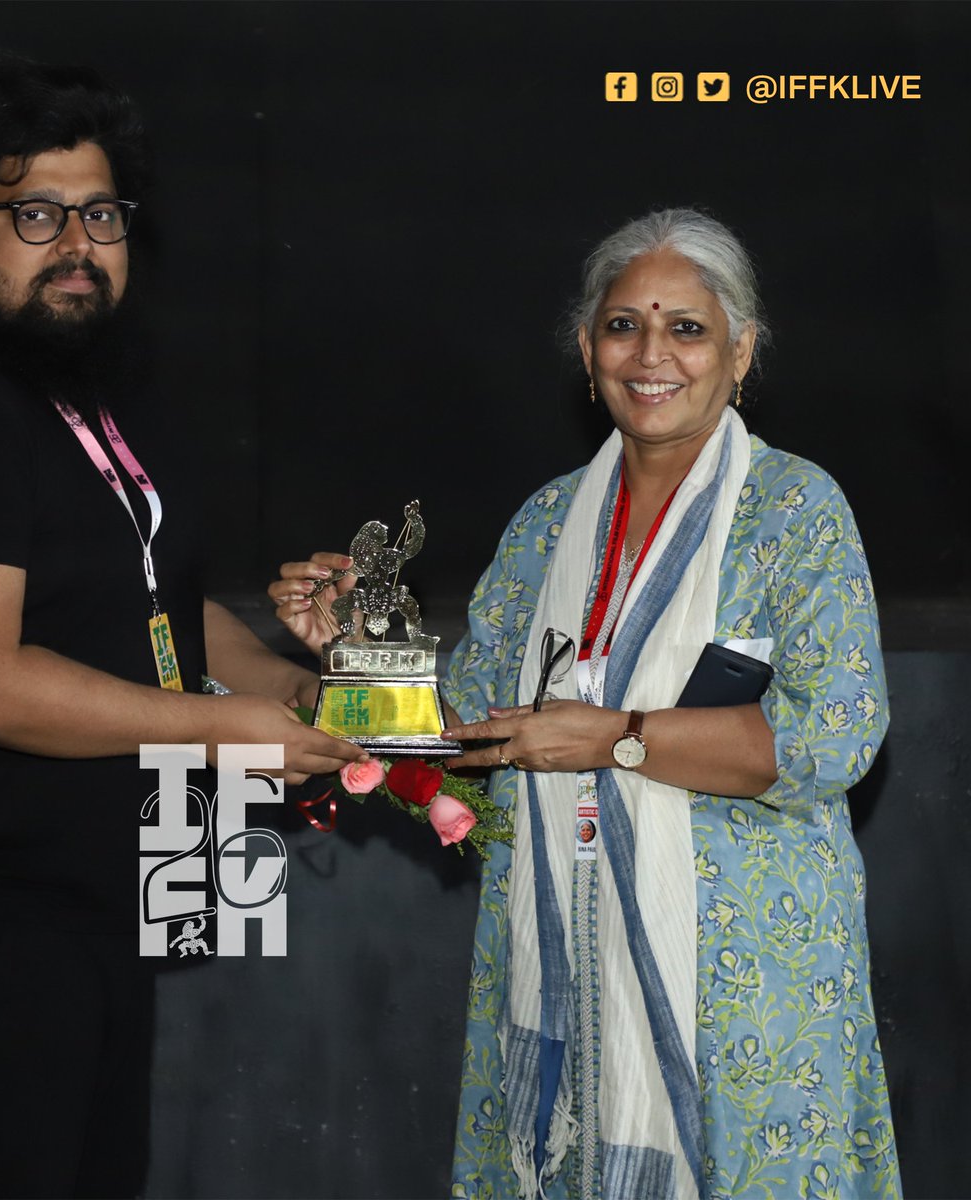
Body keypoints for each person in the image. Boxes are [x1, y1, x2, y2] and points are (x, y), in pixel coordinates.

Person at [0, 48, 363, 1200]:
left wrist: (314, 700)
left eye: (101, 212)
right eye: (36, 213)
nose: (78, 243)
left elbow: (163, 608)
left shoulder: (95, 396)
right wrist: (223, 737)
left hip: (97, 911)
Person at [271, 210, 900, 1199]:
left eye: (687, 328)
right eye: (623, 326)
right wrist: (356, 652)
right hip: (559, 969)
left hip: (741, 986)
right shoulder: (547, 523)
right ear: (585, 347)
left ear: (743, 351)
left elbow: (835, 737)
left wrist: (619, 740)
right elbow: (466, 734)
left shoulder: (793, 511)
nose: (652, 355)